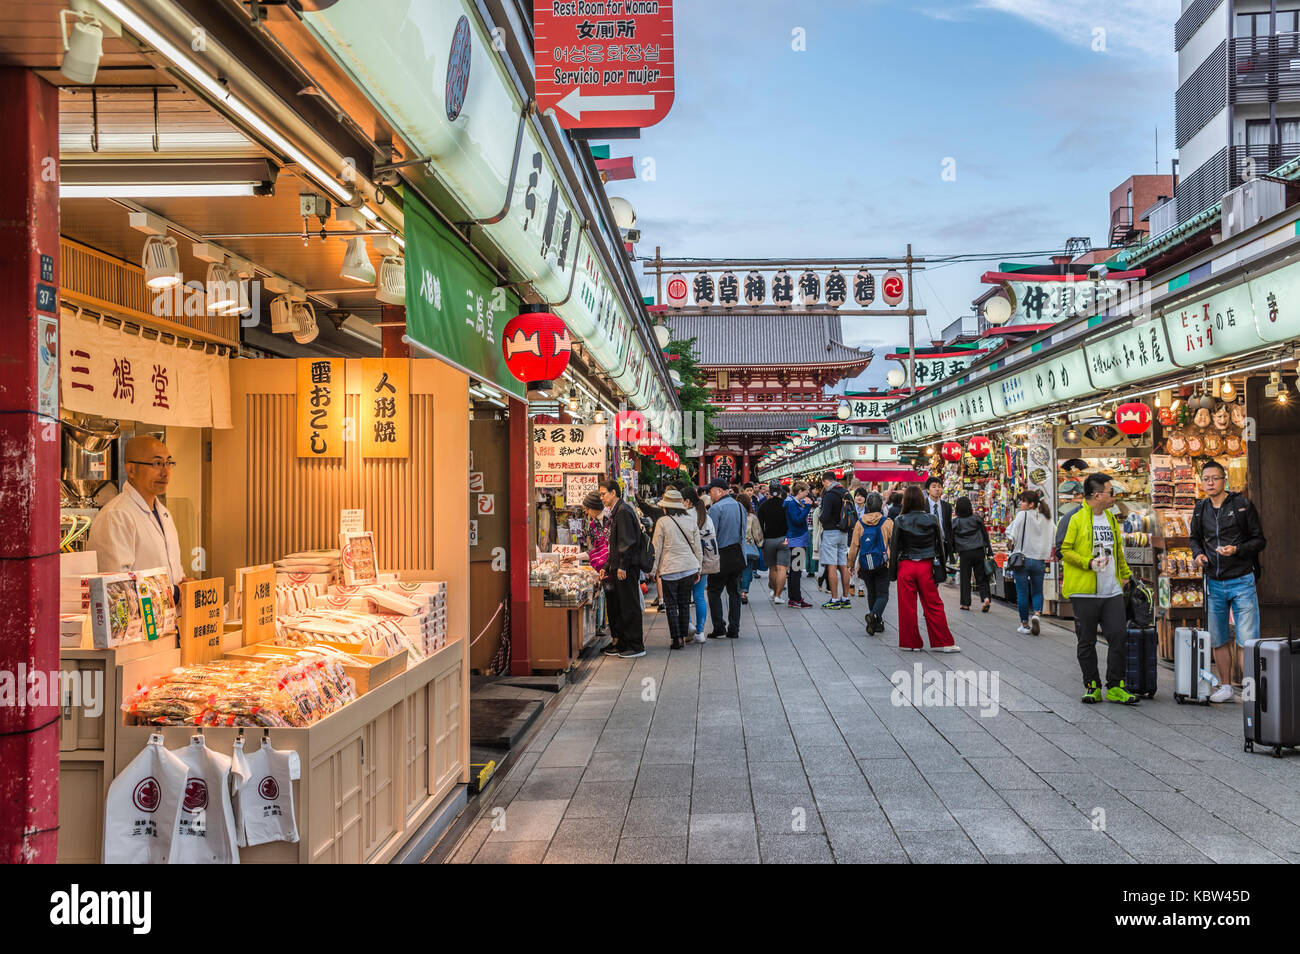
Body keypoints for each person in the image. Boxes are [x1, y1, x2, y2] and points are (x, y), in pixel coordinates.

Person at [1189, 459, 1266, 703]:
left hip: (1242, 579)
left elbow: (1259, 540)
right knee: (1218, 637)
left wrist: (1237, 550)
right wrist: (1198, 555)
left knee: (1247, 638)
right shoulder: (1200, 509)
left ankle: (1250, 688)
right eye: (1206, 479)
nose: (1210, 483)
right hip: (1214, 582)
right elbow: (1194, 539)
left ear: (1225, 481)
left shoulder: (1242, 505)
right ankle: (1224, 686)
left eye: (1215, 478)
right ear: (1201, 483)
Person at [1059, 473, 1138, 704]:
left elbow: (1118, 551)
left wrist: (1124, 576)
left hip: (1111, 590)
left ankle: (1115, 686)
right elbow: (1064, 549)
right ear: (1097, 495)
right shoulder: (1074, 518)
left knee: (1119, 637)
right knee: (1087, 640)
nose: (1114, 496)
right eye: (1111, 492)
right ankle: (1092, 685)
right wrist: (1089, 563)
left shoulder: (1112, 519)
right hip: (1084, 591)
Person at [88, 435, 185, 590]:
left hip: (171, 613)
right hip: (139, 614)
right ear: (131, 469)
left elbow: (174, 569)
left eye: (169, 463)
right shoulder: (116, 515)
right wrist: (174, 593)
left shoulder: (165, 514)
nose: (165, 472)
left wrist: (184, 584)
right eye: (157, 463)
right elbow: (116, 585)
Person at [889, 486, 959, 652]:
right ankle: (942, 642)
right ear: (922, 500)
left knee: (907, 607)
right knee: (933, 604)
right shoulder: (932, 519)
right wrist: (942, 568)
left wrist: (892, 573)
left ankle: (909, 643)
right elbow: (939, 546)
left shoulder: (900, 520)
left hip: (906, 565)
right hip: (926, 566)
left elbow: (894, 548)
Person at [651, 488, 703, 650]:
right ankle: (684, 634)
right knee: (684, 603)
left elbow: (656, 548)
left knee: (671, 605)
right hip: (688, 568)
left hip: (669, 569)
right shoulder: (690, 520)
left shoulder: (663, 522)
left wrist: (653, 570)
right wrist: (698, 568)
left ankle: (677, 639)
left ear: (666, 506)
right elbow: (697, 548)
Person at [599, 479, 646, 658]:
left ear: (613, 493)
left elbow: (627, 542)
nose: (601, 497)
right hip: (619, 565)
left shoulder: (623, 511)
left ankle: (636, 645)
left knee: (629, 605)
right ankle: (625, 643)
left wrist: (622, 566)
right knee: (622, 605)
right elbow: (615, 544)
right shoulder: (618, 510)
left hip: (626, 567)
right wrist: (607, 565)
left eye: (603, 493)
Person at [1004, 490, 1054, 635]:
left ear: (1032, 504)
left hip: (1023, 559)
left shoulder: (1022, 515)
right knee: (1037, 590)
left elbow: (1011, 535)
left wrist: (1011, 545)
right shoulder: (1047, 517)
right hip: (1039, 560)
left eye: (1023, 501)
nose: (1020, 503)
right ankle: (1037, 614)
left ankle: (1024, 624)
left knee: (1022, 592)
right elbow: (1055, 534)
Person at [847, 491, 893, 635]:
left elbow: (854, 546)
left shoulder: (859, 523)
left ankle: (876, 623)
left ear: (867, 506)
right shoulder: (888, 522)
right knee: (883, 594)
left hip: (865, 564)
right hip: (883, 564)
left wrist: (850, 564)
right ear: (881, 506)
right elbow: (895, 543)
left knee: (871, 592)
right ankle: (874, 616)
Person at [706, 477, 745, 638]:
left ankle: (719, 627)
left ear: (719, 491)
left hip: (721, 555)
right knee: (734, 593)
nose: (710, 494)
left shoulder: (715, 509)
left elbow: (711, 535)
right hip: (737, 555)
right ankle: (734, 628)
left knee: (714, 592)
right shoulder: (740, 506)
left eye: (711, 491)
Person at [818, 471, 853, 609]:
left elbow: (825, 516)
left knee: (831, 565)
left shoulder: (829, 495)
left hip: (831, 533)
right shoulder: (846, 492)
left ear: (826, 481)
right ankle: (845, 598)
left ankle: (834, 599)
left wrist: (820, 518)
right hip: (844, 532)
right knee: (843, 564)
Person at [684, 486, 715, 643]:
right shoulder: (707, 517)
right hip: (704, 562)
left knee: (685, 596)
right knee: (699, 596)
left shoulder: (685, 516)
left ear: (687, 501)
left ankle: (689, 625)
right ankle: (700, 632)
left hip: (688, 561)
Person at [952, 496, 993, 612]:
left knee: (965, 577)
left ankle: (965, 603)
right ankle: (986, 597)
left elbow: (951, 538)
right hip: (978, 550)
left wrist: (952, 552)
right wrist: (989, 550)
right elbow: (985, 535)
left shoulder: (956, 522)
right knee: (981, 576)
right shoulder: (977, 519)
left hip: (965, 552)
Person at [581, 491, 612, 639]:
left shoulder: (611, 518)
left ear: (593, 507)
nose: (586, 512)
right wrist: (574, 557)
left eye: (587, 509)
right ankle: (614, 636)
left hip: (615, 567)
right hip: (602, 570)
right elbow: (593, 550)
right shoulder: (592, 525)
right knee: (610, 601)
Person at [783, 481, 815, 608]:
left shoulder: (791, 502)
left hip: (796, 538)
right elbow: (796, 520)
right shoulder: (791, 503)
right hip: (797, 539)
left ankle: (793, 598)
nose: (808, 494)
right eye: (806, 491)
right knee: (796, 571)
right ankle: (796, 598)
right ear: (800, 491)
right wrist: (807, 507)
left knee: (794, 570)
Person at [757, 481, 791, 603]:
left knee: (772, 568)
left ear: (769, 491)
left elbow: (759, 526)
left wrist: (761, 541)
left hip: (768, 540)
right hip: (784, 539)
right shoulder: (786, 505)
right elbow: (791, 523)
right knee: (782, 568)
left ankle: (773, 591)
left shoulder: (763, 506)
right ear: (781, 491)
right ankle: (778, 596)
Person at [923, 476, 955, 570]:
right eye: (934, 486)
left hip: (943, 544)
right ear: (928, 490)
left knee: (940, 573)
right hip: (928, 543)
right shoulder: (923, 505)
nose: (937, 489)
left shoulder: (947, 506)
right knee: (928, 571)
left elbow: (948, 526)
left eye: (939, 486)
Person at [738, 492, 764, 604]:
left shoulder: (734, 515)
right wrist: (759, 544)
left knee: (737, 570)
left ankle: (737, 590)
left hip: (736, 547)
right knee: (747, 570)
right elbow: (757, 533)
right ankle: (743, 592)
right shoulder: (752, 517)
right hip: (748, 546)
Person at [850, 487, 870, 597]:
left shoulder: (868, 510)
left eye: (862, 496)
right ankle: (851, 584)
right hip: (852, 539)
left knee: (863, 563)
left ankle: (861, 587)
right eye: (857, 495)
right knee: (851, 561)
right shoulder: (850, 509)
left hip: (865, 539)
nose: (859, 498)